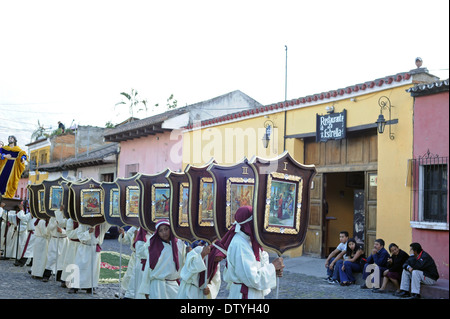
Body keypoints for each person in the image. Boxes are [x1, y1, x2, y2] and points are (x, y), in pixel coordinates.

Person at [222, 206, 284, 299]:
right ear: (249, 223)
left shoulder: (249, 240)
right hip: (244, 294)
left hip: (252, 293)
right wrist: (272, 267)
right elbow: (252, 278)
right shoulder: (240, 244)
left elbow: (258, 267)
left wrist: (273, 271)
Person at [138, 219, 186, 299]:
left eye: (166, 229)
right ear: (157, 233)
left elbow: (185, 263)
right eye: (160, 231)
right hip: (157, 286)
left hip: (173, 284)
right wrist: (146, 289)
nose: (164, 233)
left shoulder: (179, 244)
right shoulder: (154, 248)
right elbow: (148, 269)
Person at [69, 221, 110, 293]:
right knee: (80, 267)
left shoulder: (101, 225)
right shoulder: (83, 223)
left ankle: (90, 286)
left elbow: (108, 224)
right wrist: (88, 232)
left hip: (94, 248)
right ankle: (75, 286)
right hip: (84, 247)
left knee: (92, 269)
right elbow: (80, 235)